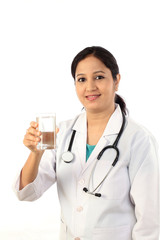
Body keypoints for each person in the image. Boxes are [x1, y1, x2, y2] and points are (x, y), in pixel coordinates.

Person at [14, 46, 159, 240]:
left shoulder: (138, 139)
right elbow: (27, 193)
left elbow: (150, 219)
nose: (90, 87)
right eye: (81, 79)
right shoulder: (62, 132)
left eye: (99, 77)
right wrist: (36, 153)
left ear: (116, 81)